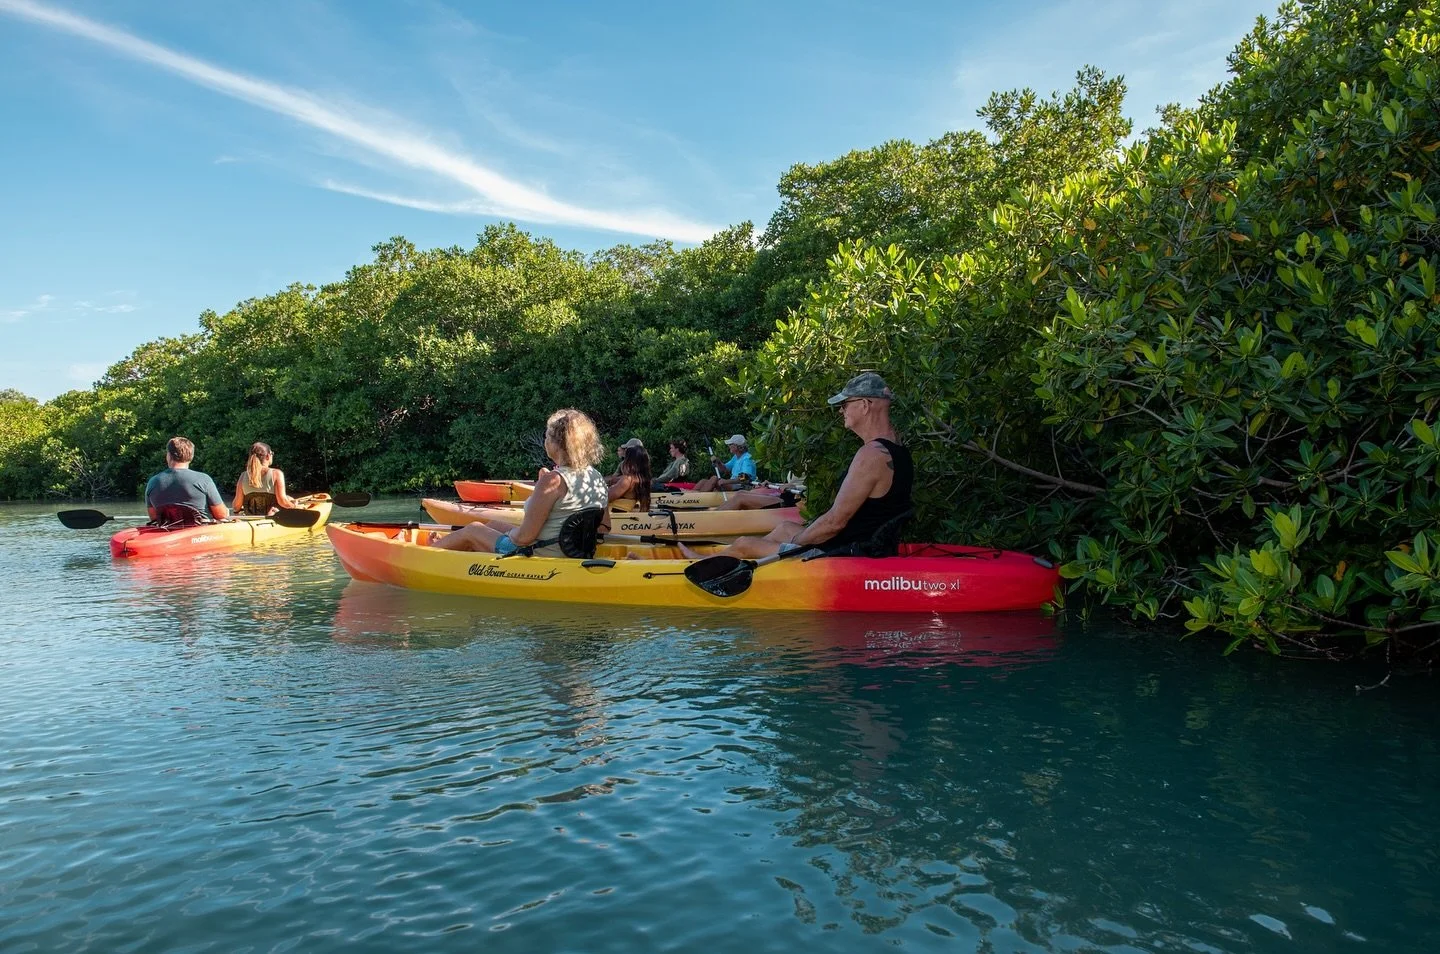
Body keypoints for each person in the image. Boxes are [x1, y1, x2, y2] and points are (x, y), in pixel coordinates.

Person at [681, 372, 911, 560]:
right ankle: (717, 559)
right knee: (784, 528)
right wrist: (790, 539)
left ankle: (701, 566)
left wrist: (793, 546)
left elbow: (834, 522)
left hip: (847, 554)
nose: (841, 410)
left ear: (864, 405)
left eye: (845, 404)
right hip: (858, 545)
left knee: (744, 544)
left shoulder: (871, 455)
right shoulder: (896, 448)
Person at [432, 408, 609, 555]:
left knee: (474, 529)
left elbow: (524, 538)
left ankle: (430, 552)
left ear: (558, 443)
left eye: (547, 436)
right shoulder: (596, 478)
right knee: (493, 525)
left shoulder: (553, 481)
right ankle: (452, 548)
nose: (545, 441)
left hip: (538, 553)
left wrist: (509, 535)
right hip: (572, 551)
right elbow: (605, 527)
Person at [145, 436, 229, 525]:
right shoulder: (204, 479)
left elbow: (154, 518)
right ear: (191, 457)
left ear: (168, 455)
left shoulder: (153, 482)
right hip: (200, 534)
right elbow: (222, 515)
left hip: (167, 532)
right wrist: (227, 511)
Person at [232, 442, 298, 515]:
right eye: (272, 453)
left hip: (251, 520)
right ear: (267, 456)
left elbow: (236, 506)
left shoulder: (243, 476)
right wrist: (294, 505)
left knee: (288, 498)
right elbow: (283, 502)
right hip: (273, 520)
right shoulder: (276, 474)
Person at [691, 434, 757, 492]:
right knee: (703, 481)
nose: (729, 446)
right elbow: (725, 469)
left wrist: (726, 481)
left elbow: (745, 477)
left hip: (742, 487)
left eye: (731, 444)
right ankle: (691, 495)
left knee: (714, 478)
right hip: (734, 484)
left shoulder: (747, 459)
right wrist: (718, 463)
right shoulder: (736, 457)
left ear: (738, 447)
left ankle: (699, 498)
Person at [608, 443, 652, 510]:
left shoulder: (627, 480)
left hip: (614, 514)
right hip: (624, 513)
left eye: (626, 458)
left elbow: (606, 498)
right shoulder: (642, 479)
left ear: (630, 462)